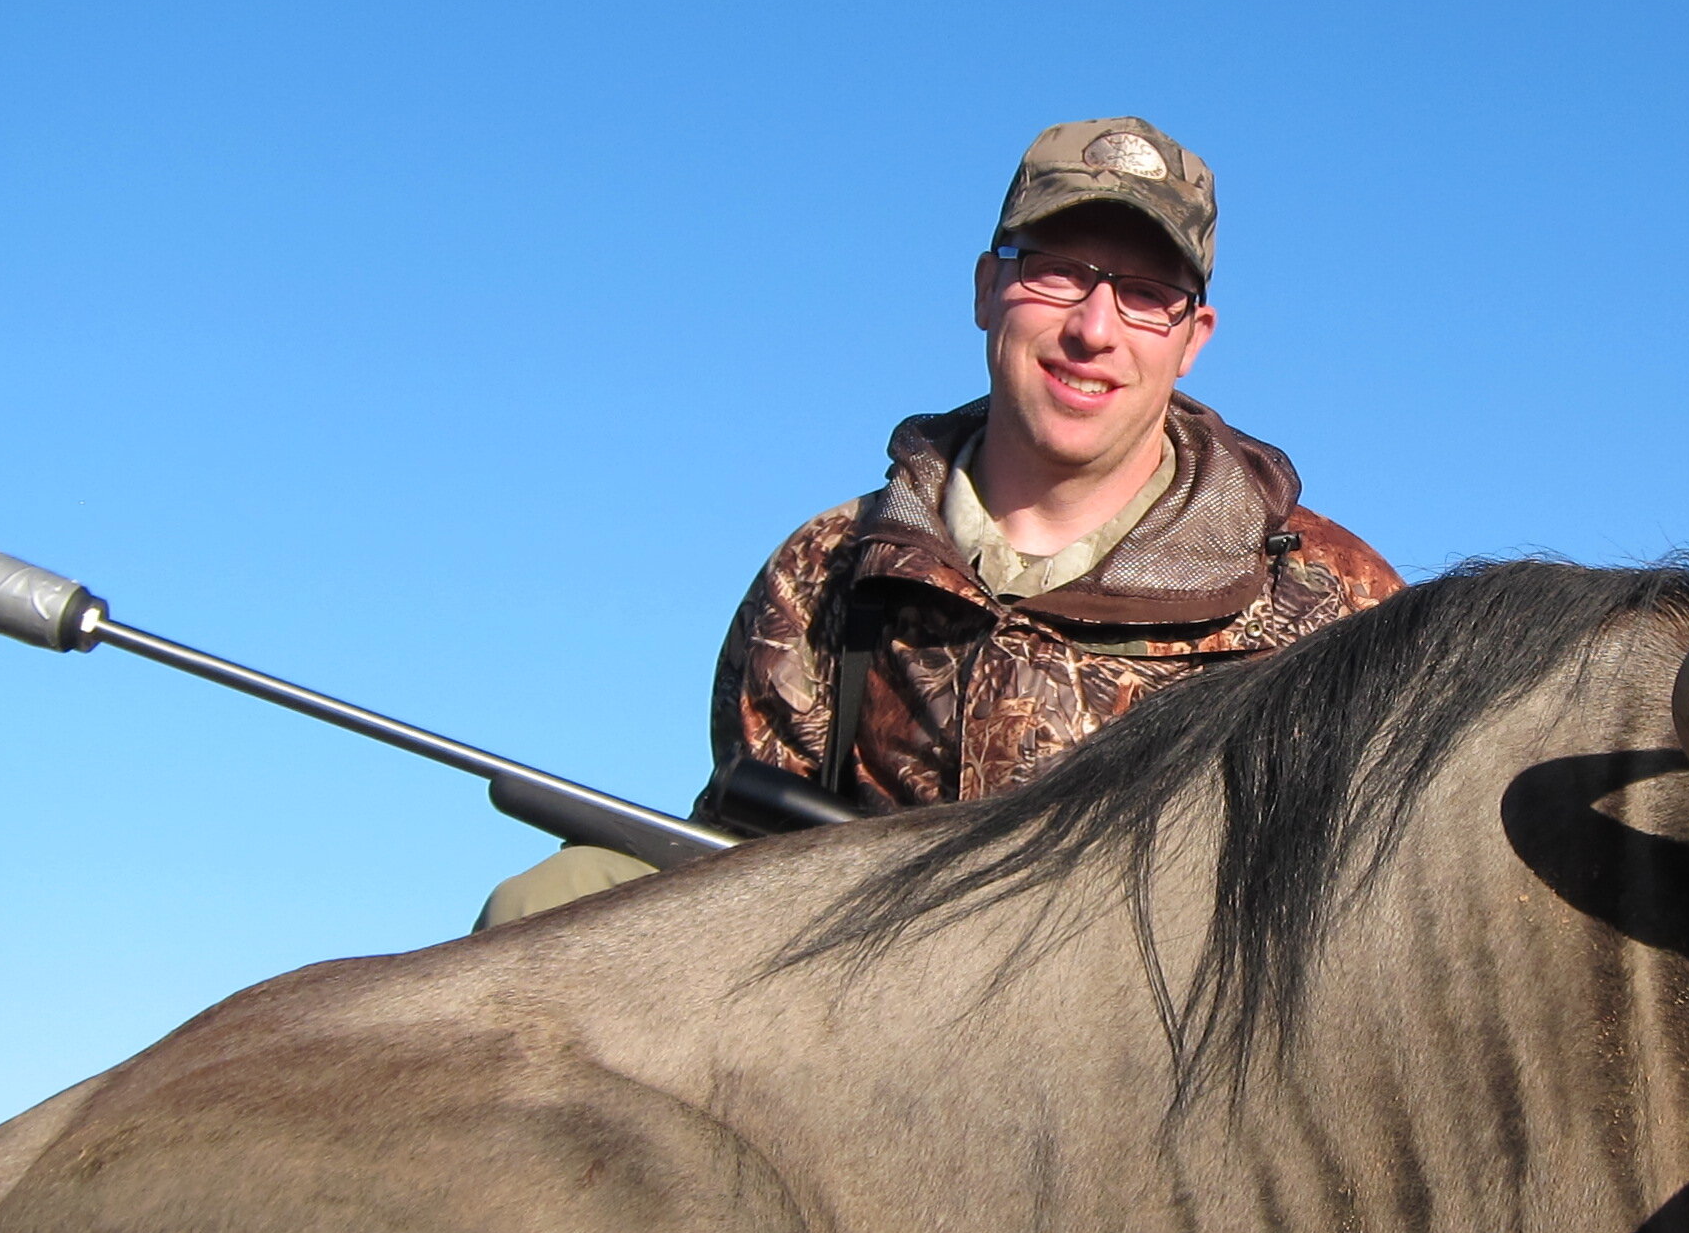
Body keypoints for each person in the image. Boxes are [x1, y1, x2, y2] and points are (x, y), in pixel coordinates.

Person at [478, 117, 1400, 929]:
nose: (1094, 329)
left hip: (1161, 1063)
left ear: (1193, 337)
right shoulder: (827, 570)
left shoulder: (1335, 604)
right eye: (1057, 273)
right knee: (552, 904)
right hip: (859, 1002)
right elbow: (749, 844)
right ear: (985, 290)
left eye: (1146, 295)